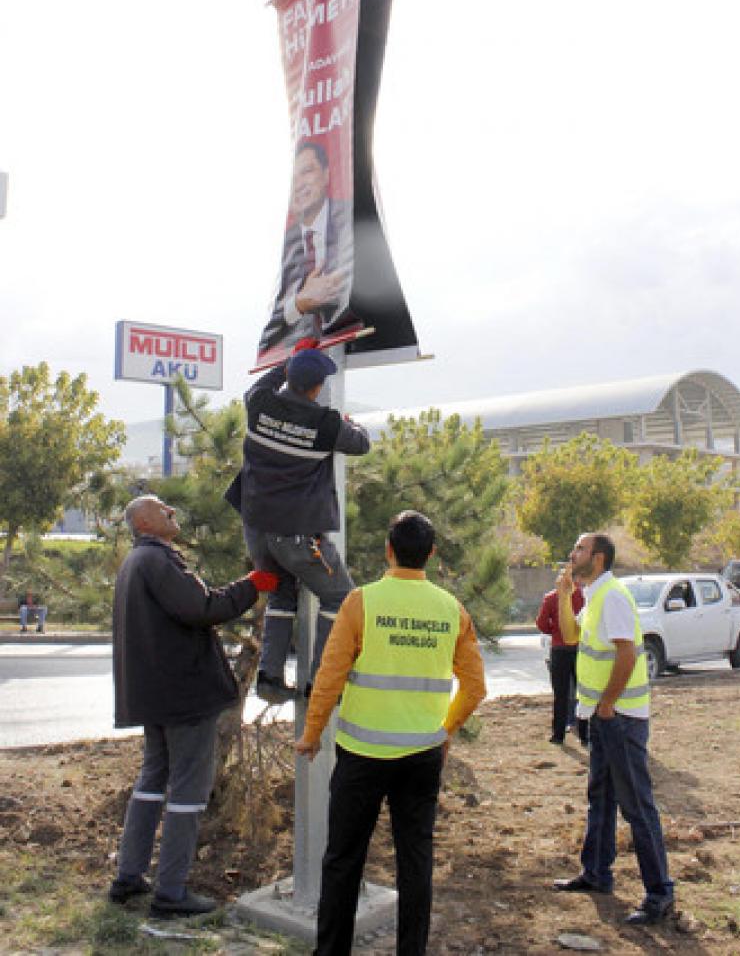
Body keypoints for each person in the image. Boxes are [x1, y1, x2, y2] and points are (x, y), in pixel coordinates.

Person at [296, 510, 487, 956]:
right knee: (415, 861)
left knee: (343, 860)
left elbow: (330, 675)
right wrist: (445, 730)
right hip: (421, 756)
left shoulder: (362, 602)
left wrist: (311, 733)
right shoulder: (451, 610)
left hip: (362, 755)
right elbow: (475, 687)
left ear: (388, 549)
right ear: (432, 555)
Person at [109, 494, 277, 917]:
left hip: (155, 696)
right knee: (188, 790)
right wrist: (253, 585)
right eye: (162, 509)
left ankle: (129, 877)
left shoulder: (135, 563)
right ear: (143, 524)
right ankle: (171, 892)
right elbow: (199, 608)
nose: (172, 511)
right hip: (184, 695)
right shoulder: (156, 561)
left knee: (151, 782)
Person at [227, 346, 369, 703]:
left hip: (256, 527)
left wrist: (286, 363)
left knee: (282, 592)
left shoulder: (259, 404)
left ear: (288, 377)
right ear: (317, 388)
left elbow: (258, 387)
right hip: (297, 534)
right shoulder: (327, 424)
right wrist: (350, 422)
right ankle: (322, 681)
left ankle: (270, 678)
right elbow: (362, 443)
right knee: (339, 596)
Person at [553, 532, 675, 926]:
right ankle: (596, 874)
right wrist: (562, 593)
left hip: (619, 719)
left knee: (636, 805)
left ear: (599, 558)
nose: (573, 554)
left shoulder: (614, 597)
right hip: (603, 718)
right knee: (600, 797)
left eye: (580, 549)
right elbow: (571, 637)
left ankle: (660, 894)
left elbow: (627, 653)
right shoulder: (594, 594)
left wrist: (607, 704)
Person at [258, 141, 355, 356]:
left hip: (352, 345)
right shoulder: (290, 243)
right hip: (305, 361)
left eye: (307, 172)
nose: (299, 184)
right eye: (293, 179)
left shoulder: (351, 222)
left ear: (327, 174)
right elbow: (271, 334)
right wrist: (300, 302)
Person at [535, 582, 587, 745]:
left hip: (559, 648)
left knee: (560, 694)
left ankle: (558, 734)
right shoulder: (583, 595)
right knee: (583, 692)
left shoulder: (551, 598)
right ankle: (585, 734)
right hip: (580, 647)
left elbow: (541, 623)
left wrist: (555, 630)